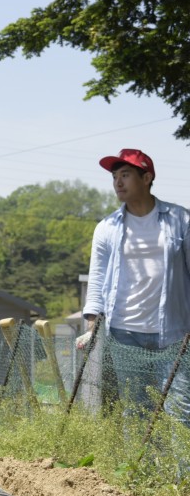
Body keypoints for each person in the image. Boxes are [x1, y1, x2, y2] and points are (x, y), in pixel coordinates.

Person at [78, 149, 190, 423]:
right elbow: (97, 280)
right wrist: (92, 329)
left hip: (176, 334)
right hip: (125, 335)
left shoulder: (181, 220)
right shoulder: (107, 228)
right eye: (115, 176)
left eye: (125, 175)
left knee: (181, 413)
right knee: (137, 412)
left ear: (147, 177)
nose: (118, 182)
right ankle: (140, 468)